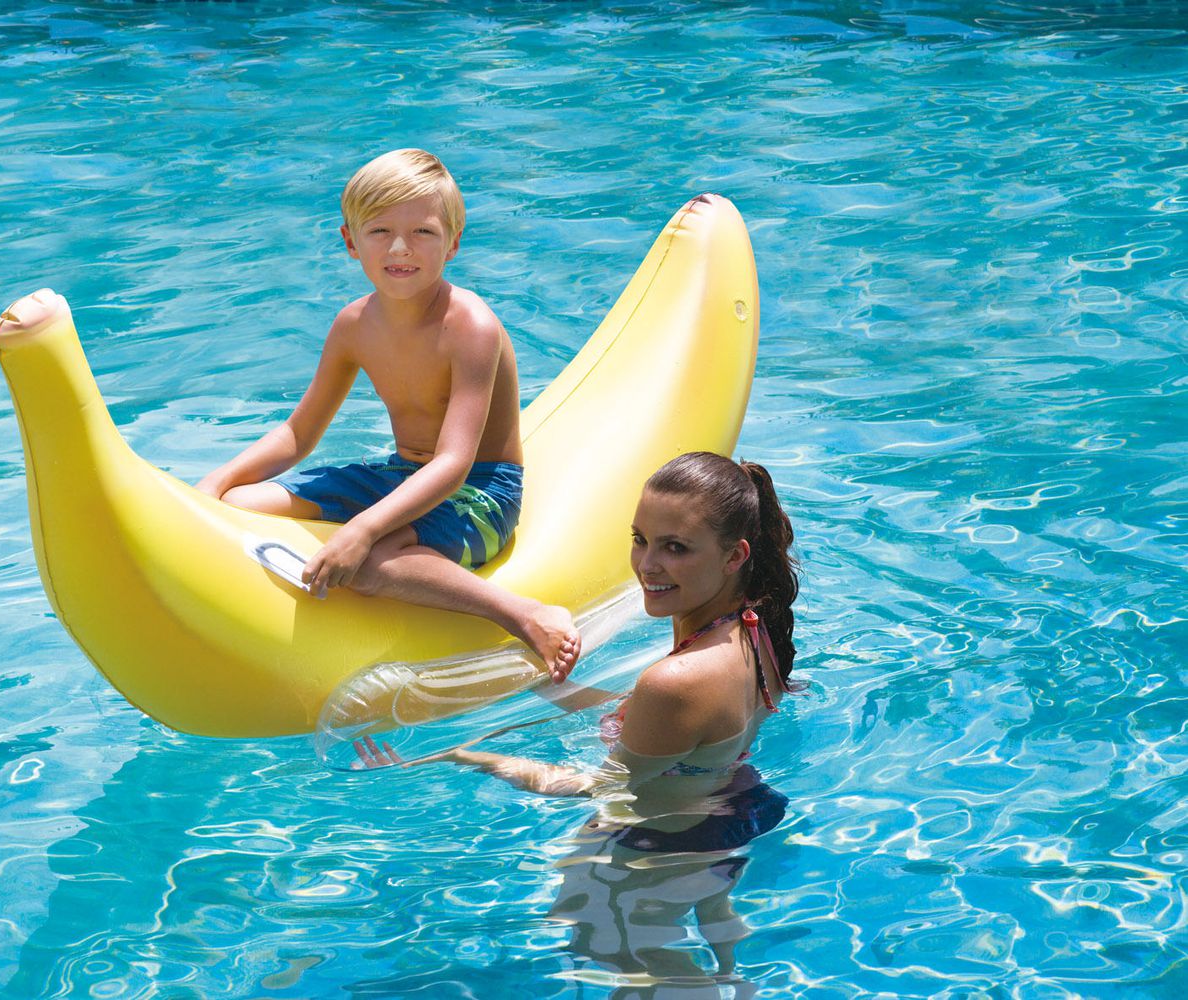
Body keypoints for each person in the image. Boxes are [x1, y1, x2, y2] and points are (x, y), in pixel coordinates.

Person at [357, 451, 801, 989]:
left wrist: (465, 753)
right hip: (730, 807)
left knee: (612, 958)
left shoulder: (676, 680)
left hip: (658, 845)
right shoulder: (752, 626)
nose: (647, 565)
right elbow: (664, 723)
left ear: (735, 556)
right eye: (640, 538)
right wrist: (547, 685)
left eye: (675, 548)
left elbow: (597, 787)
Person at [196, 149, 579, 680]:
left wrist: (361, 529)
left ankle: (523, 613)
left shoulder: (470, 326)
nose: (401, 248)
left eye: (422, 232)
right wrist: (210, 490)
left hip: (480, 488)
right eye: (379, 231)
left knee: (374, 565)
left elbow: (454, 460)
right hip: (399, 474)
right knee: (241, 503)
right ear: (351, 242)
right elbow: (297, 432)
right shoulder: (353, 326)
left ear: (453, 242)